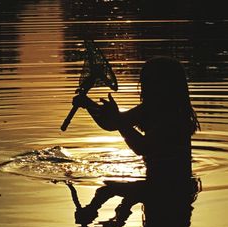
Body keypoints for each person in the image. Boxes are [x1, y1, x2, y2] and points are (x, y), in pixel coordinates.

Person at [72, 56, 200, 181]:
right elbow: (111, 124)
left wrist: (116, 119)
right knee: (107, 190)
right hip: (155, 181)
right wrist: (88, 104)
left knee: (108, 190)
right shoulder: (148, 108)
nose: (144, 85)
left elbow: (142, 147)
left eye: (149, 80)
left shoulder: (173, 116)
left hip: (173, 186)